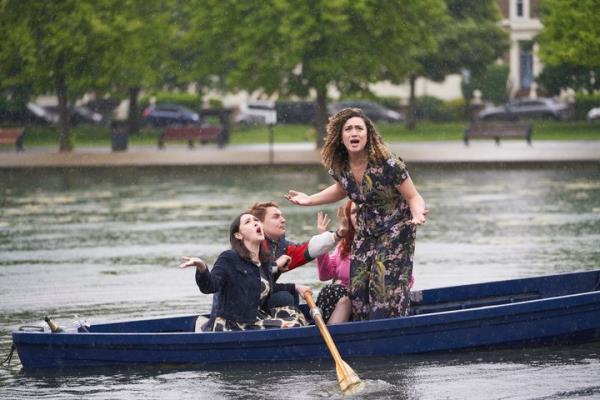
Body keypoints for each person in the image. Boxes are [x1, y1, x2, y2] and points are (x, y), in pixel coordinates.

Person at [286, 107, 428, 320]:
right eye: (349, 129)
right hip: (365, 231)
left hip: (395, 231)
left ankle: (389, 327)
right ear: (341, 137)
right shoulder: (341, 166)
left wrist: (417, 215)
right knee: (359, 288)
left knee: (383, 286)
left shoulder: (387, 162)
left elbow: (413, 197)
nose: (354, 133)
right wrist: (310, 199)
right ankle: (361, 332)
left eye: (359, 129)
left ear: (368, 134)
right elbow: (341, 188)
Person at [179, 212, 311, 331]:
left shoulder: (264, 261)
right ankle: (205, 326)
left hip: (255, 317)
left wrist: (295, 287)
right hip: (233, 324)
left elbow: (261, 287)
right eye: (248, 222)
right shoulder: (229, 257)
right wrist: (202, 268)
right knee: (294, 325)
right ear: (238, 235)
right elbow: (210, 286)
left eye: (256, 220)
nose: (255, 222)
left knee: (296, 314)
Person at [314, 201, 355, 324]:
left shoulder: (379, 243)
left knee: (344, 300)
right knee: (331, 290)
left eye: (361, 212)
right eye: (353, 212)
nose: (358, 216)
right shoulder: (344, 245)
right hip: (337, 298)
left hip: (362, 299)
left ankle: (331, 336)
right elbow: (325, 275)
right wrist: (323, 239)